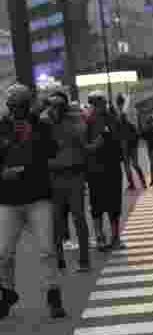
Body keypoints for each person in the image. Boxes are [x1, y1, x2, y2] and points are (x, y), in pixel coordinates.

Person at [0, 84, 66, 320]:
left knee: (47, 249)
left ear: (27, 106)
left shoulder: (40, 125)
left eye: (20, 106)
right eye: (12, 106)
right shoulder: (2, 127)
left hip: (38, 196)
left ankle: (53, 295)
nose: (16, 111)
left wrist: (33, 134)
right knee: (3, 252)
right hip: (8, 196)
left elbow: (52, 151)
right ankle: (7, 292)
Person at [42, 91, 93, 272]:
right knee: (55, 220)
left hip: (74, 175)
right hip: (54, 176)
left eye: (58, 105)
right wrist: (49, 113)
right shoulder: (45, 121)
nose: (55, 109)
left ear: (64, 106)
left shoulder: (74, 119)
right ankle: (59, 260)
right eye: (52, 105)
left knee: (78, 217)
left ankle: (84, 261)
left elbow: (81, 135)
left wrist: (68, 116)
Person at [84, 92, 125, 252]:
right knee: (97, 205)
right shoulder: (87, 120)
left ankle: (115, 237)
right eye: (96, 103)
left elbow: (119, 136)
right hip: (95, 169)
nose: (99, 106)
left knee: (114, 204)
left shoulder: (111, 118)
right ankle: (100, 237)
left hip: (112, 166)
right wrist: (95, 144)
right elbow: (84, 145)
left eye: (101, 103)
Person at [115, 95, 146, 191]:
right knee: (135, 164)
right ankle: (143, 182)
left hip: (124, 142)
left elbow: (117, 128)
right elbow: (136, 126)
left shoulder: (119, 113)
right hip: (133, 140)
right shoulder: (132, 110)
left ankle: (132, 184)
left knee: (127, 165)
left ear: (118, 103)